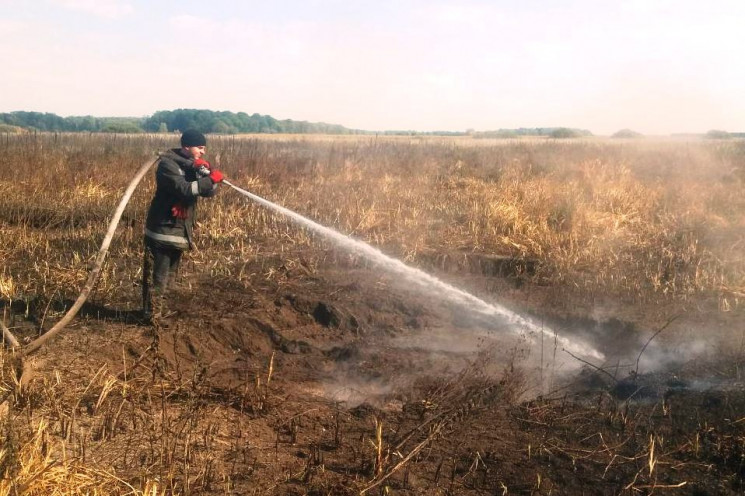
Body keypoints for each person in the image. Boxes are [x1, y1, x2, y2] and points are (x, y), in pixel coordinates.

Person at [142, 129, 224, 322]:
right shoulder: (168, 165)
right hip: (163, 229)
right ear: (187, 146)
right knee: (159, 277)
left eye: (204, 148)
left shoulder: (192, 166)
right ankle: (152, 315)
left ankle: (161, 312)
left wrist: (208, 174)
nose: (203, 151)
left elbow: (208, 193)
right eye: (200, 147)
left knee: (171, 276)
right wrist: (209, 179)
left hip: (179, 230)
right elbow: (185, 189)